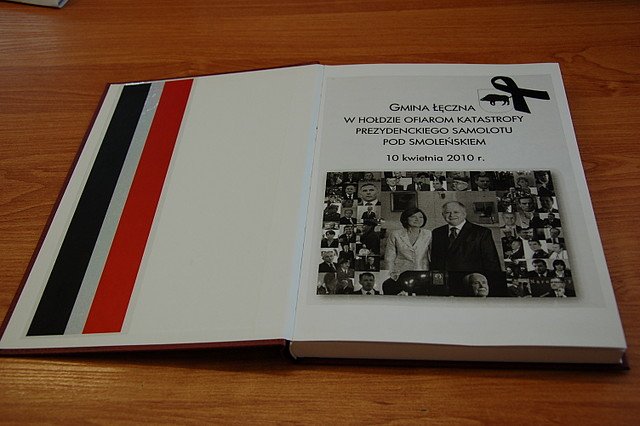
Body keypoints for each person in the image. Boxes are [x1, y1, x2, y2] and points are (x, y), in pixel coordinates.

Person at [430, 201, 501, 272]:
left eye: (456, 212)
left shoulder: (482, 232)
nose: (451, 215)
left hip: (470, 277)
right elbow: (434, 260)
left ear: (464, 214)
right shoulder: (437, 232)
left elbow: (492, 262)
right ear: (443, 215)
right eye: (447, 212)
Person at [384, 207, 432, 280]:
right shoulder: (395, 234)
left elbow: (433, 255)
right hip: (400, 274)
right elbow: (389, 258)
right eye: (413, 217)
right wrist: (389, 276)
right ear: (406, 219)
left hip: (422, 272)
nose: (417, 219)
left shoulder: (429, 234)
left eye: (421, 217)